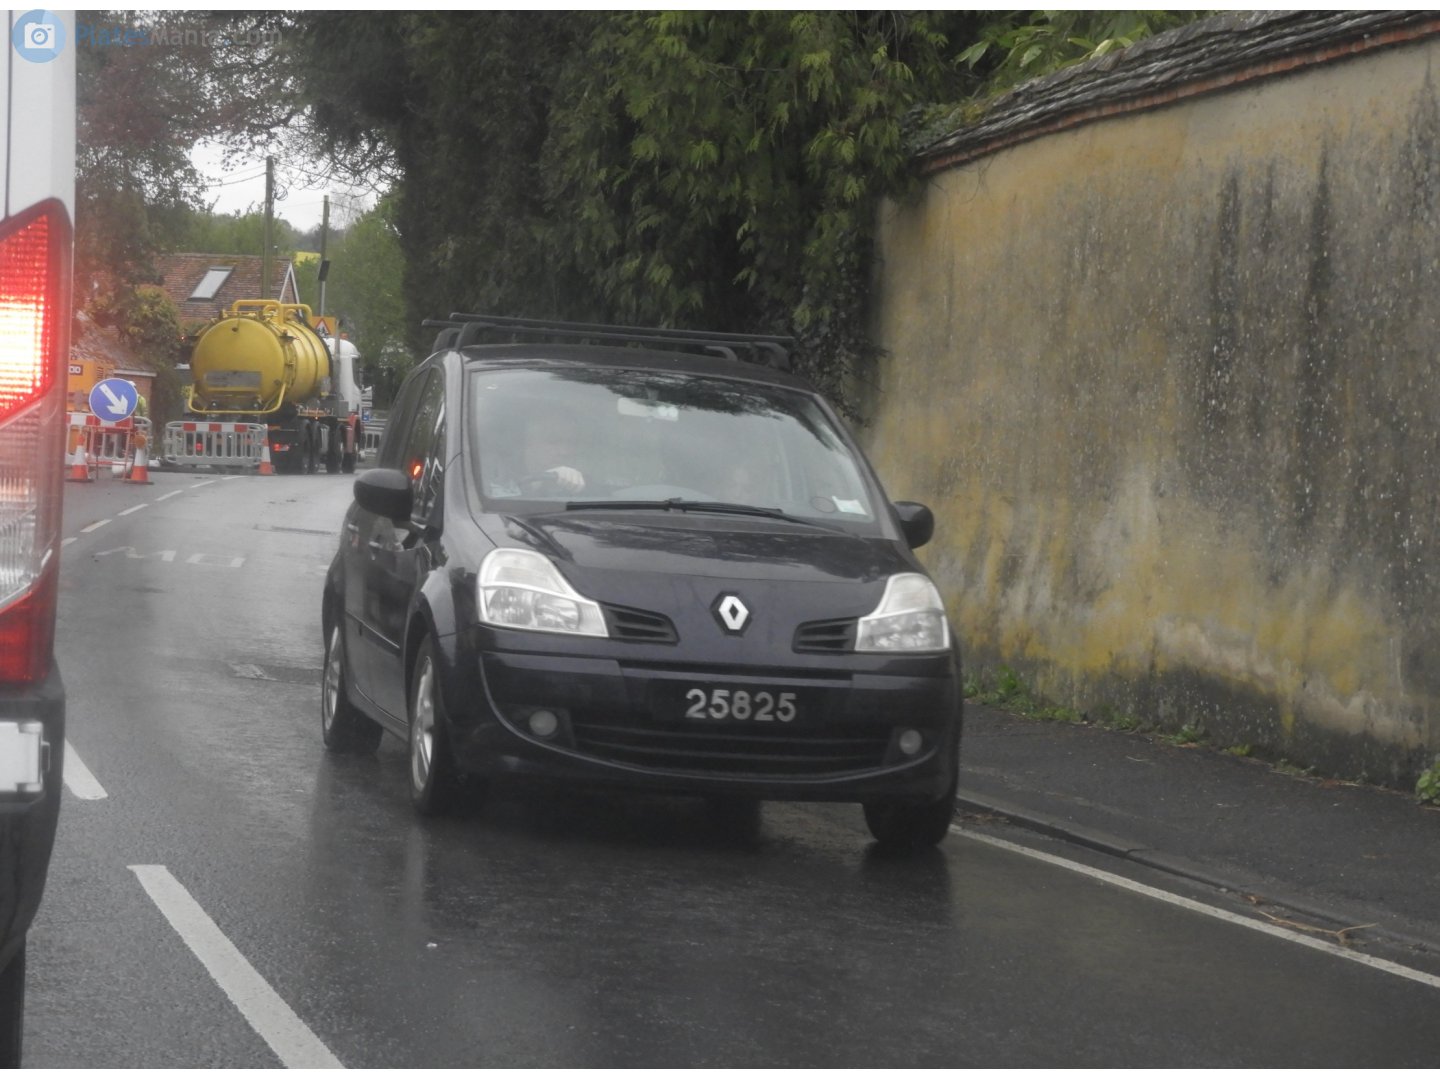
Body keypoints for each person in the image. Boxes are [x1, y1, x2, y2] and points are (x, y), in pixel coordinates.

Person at [488, 410, 586, 496]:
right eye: (553, 441)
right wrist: (539, 482)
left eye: (571, 443)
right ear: (529, 442)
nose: (565, 451)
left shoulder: (585, 485)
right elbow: (499, 509)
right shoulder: (497, 474)